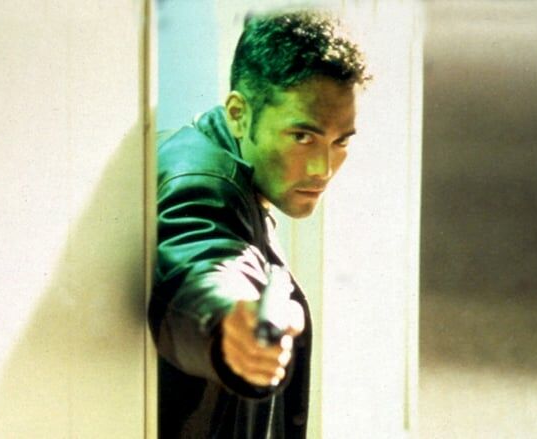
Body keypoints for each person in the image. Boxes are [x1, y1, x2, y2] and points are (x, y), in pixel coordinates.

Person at [149, 10, 371, 438]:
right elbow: (201, 260)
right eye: (302, 137)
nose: (323, 168)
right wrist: (225, 322)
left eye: (340, 141)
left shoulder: (206, 147)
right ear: (238, 113)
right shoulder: (203, 185)